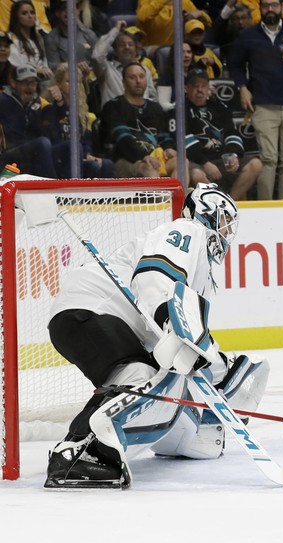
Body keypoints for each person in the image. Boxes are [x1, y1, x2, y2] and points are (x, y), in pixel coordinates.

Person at [44, 184, 269, 489]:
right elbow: (154, 276)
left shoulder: (199, 268)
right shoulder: (189, 231)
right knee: (142, 378)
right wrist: (174, 323)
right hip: (93, 308)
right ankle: (78, 453)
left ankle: (99, 449)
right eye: (225, 221)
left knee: (156, 381)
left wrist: (216, 368)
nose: (228, 232)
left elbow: (172, 333)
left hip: (96, 318)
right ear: (206, 213)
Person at [229, 0, 283, 200]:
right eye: (266, 5)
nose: (270, 10)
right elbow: (235, 65)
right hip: (263, 104)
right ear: (259, 7)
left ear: (282, 6)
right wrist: (242, 88)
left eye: (274, 5)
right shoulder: (248, 35)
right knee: (268, 159)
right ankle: (265, 207)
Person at [184, 68, 262, 200]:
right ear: (187, 88)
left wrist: (232, 155)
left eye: (203, 86)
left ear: (208, 87)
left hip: (221, 159)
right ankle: (218, 206)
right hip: (198, 162)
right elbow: (185, 141)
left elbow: (232, 134)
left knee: (256, 165)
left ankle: (229, 204)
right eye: (195, 86)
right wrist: (205, 163)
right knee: (197, 175)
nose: (199, 90)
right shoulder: (182, 109)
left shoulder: (219, 107)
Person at [101, 62, 177, 179]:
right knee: (148, 168)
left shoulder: (155, 108)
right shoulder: (113, 106)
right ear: (123, 83)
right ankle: (162, 198)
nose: (138, 81)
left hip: (155, 158)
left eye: (141, 77)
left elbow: (164, 136)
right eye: (132, 77)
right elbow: (123, 140)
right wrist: (143, 157)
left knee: (181, 162)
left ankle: (178, 197)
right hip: (125, 160)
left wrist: (169, 148)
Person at [41, 62, 115, 179]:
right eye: (69, 81)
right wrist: (60, 104)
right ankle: (71, 194)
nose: (74, 86)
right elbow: (51, 138)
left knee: (107, 164)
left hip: (77, 156)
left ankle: (104, 198)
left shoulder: (81, 111)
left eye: (78, 82)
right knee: (77, 150)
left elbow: (85, 139)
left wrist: (87, 155)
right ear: (58, 83)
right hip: (57, 157)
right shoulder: (49, 107)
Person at [92, 21, 158, 107]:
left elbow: (153, 98)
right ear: (115, 50)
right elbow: (96, 56)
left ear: (136, 49)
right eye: (122, 45)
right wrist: (115, 30)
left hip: (142, 117)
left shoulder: (144, 70)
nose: (127, 47)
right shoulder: (106, 70)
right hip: (114, 117)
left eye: (130, 44)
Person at [43, 0, 98, 73]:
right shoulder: (51, 38)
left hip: (92, 77)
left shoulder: (89, 34)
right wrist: (74, 67)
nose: (68, 11)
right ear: (57, 13)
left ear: (78, 11)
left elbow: (100, 60)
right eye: (64, 8)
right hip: (66, 79)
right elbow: (53, 66)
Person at [7, 0, 52, 80]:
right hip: (24, 80)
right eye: (24, 13)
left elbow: (44, 63)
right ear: (16, 17)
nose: (30, 16)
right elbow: (16, 66)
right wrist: (37, 70)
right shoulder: (11, 38)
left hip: (43, 79)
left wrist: (45, 70)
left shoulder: (38, 38)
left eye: (32, 12)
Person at [135, 0, 211, 47]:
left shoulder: (183, 2)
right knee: (162, 53)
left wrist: (200, 13)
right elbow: (142, 16)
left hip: (176, 51)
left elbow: (209, 24)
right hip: (149, 48)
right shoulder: (147, 1)